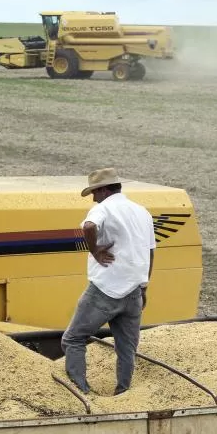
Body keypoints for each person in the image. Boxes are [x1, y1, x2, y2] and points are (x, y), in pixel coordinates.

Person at [61, 168, 156, 395]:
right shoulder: (142, 212)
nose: (93, 197)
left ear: (104, 190)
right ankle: (123, 392)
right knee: (126, 348)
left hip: (105, 290)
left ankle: (80, 392)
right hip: (134, 291)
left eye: (94, 192)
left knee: (73, 339)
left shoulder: (102, 208)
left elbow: (89, 226)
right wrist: (144, 286)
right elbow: (151, 251)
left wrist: (94, 251)